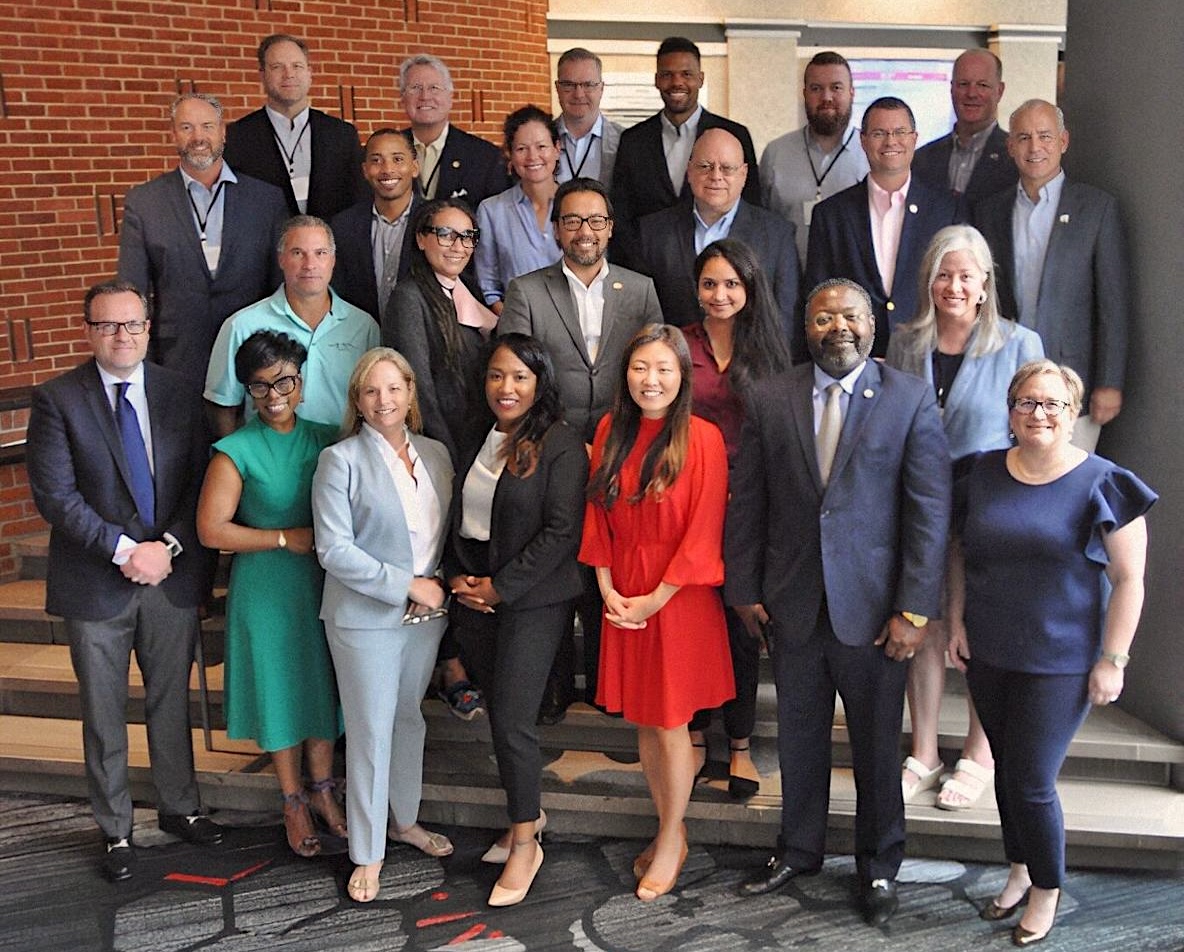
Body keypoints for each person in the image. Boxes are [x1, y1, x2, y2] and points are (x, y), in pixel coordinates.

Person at [727, 278, 950, 926]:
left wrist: (914, 610)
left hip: (878, 614)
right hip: (793, 604)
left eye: (849, 315)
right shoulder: (771, 397)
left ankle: (879, 869)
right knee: (798, 741)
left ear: (871, 325)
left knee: (880, 749)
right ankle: (798, 850)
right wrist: (743, 591)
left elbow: (929, 514)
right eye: (824, 317)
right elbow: (749, 502)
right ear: (807, 326)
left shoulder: (908, 400)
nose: (837, 327)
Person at [948, 360, 1154, 946]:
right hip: (989, 650)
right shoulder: (981, 472)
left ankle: (1046, 889)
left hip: (1061, 659)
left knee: (1032, 780)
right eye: (1027, 403)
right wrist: (957, 620)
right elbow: (960, 551)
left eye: (1053, 404)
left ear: (1073, 414)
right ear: (1010, 412)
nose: (1039, 414)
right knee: (1008, 776)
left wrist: (1113, 659)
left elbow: (1130, 579)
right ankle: (1019, 867)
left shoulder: (1104, 481)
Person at [26, 282, 222, 882]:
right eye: (110, 326)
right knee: (103, 710)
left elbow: (200, 481)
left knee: (171, 701)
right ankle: (114, 831)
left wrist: (166, 547)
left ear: (147, 326)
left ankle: (180, 808)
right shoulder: (58, 398)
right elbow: (55, 496)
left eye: (133, 325)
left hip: (168, 574)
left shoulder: (177, 391)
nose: (123, 336)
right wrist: (124, 549)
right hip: (96, 583)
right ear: (89, 331)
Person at [886, 224, 1044, 810]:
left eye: (966, 276)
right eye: (943, 274)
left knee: (978, 630)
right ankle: (924, 751)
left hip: (991, 506)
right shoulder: (904, 342)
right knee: (921, 624)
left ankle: (981, 751)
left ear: (984, 286)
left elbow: (1034, 428)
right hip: (921, 506)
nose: (954, 285)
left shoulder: (1019, 343)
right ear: (929, 281)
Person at [580, 324, 734, 902]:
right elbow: (597, 513)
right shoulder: (609, 429)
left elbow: (702, 533)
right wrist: (604, 584)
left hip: (676, 596)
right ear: (626, 374)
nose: (652, 380)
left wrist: (654, 597)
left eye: (664, 369)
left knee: (672, 725)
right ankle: (667, 825)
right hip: (623, 591)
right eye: (641, 368)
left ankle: (672, 836)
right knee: (646, 720)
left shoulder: (704, 438)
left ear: (682, 377)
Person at [499, 177, 663, 716]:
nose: (584, 231)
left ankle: (604, 688)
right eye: (571, 220)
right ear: (555, 230)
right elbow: (515, 371)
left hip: (621, 448)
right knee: (551, 566)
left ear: (610, 229)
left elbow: (654, 367)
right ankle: (552, 693)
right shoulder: (527, 289)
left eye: (595, 220)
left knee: (606, 567)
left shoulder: (638, 290)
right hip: (550, 448)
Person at [446, 334, 589, 906]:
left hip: (532, 597)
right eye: (498, 376)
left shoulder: (561, 444)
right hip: (475, 589)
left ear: (541, 382)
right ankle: (525, 814)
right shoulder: (477, 436)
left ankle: (527, 842)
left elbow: (562, 533)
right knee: (501, 717)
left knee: (512, 721)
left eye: (520, 378)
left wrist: (502, 588)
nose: (507, 388)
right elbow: (456, 512)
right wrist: (459, 578)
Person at [311, 347, 456, 903]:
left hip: (426, 614)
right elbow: (333, 550)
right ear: (358, 400)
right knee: (370, 731)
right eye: (371, 391)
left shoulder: (437, 455)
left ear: (411, 393)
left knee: (407, 719)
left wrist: (434, 583)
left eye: (393, 388)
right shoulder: (340, 460)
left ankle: (405, 821)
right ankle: (366, 855)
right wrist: (406, 585)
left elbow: (441, 535)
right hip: (364, 617)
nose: (383, 400)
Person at [196, 330, 345, 858]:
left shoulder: (328, 437)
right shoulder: (234, 450)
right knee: (282, 691)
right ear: (247, 392)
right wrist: (283, 538)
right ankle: (292, 800)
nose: (274, 394)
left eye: (285, 380)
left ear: (302, 381)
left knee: (322, 688)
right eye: (259, 386)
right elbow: (212, 530)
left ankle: (325, 791)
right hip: (266, 588)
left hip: (324, 584)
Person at [684, 239, 792, 799]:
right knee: (696, 624)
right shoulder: (679, 344)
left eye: (731, 284)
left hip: (750, 508)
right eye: (709, 284)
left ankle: (742, 745)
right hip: (690, 505)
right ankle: (698, 737)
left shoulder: (773, 351)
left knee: (741, 625)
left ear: (749, 289)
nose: (720, 295)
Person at [384, 199, 495, 721]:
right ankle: (446, 665)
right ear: (421, 238)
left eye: (467, 236)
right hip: (440, 452)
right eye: (445, 234)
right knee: (438, 556)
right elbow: (419, 388)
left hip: (472, 450)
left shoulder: (461, 294)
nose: (458, 245)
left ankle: (456, 660)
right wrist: (447, 458)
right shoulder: (411, 296)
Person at [973, 99, 1129, 452]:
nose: (1034, 147)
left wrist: (1110, 383)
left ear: (1063, 141)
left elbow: (1113, 305)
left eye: (1045, 136)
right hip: (1003, 374)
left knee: (1066, 486)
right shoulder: (989, 211)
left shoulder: (1097, 210)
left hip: (1073, 381)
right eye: (1024, 137)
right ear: (1010, 146)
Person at [117, 93, 287, 379]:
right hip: (177, 357)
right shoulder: (144, 202)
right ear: (173, 135)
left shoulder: (266, 199)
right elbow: (131, 290)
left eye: (207, 126)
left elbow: (280, 283)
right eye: (186, 127)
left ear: (222, 132)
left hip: (255, 353)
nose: (198, 137)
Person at [805, 96, 961, 360]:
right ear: (863, 141)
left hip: (928, 357)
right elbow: (819, 296)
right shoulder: (831, 215)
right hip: (854, 361)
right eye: (879, 133)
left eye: (900, 132)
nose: (891, 141)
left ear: (914, 138)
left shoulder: (948, 210)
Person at [204, 215, 379, 438]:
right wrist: (237, 462)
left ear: (333, 260)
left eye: (320, 253)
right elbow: (222, 405)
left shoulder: (364, 327)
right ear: (281, 260)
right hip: (271, 463)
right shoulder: (241, 326)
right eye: (298, 253)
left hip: (346, 458)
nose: (310, 265)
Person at [636, 128, 799, 336]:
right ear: (689, 171)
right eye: (705, 166)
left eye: (727, 168)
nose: (715, 176)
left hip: (753, 364)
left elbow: (785, 320)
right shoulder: (653, 232)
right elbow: (643, 315)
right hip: (676, 363)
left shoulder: (777, 235)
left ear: (744, 174)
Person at [610, 37, 760, 256]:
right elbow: (622, 214)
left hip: (724, 266)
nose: (676, 82)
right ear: (656, 80)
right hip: (650, 269)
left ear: (700, 79)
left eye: (686, 74)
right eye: (667, 75)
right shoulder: (633, 140)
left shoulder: (734, 135)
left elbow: (751, 207)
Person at [224, 33, 366, 220]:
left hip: (333, 246)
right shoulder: (239, 136)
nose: (288, 74)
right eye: (277, 67)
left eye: (297, 66)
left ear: (309, 73)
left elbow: (357, 203)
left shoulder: (342, 135)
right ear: (262, 75)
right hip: (266, 248)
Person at [760, 51, 869, 262]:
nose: (826, 97)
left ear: (852, 93)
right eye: (816, 88)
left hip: (852, 285)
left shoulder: (870, 155)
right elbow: (762, 226)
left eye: (836, 88)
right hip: (789, 282)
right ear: (804, 93)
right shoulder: (776, 154)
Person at [474, 106, 564, 313]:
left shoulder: (580, 205)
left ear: (557, 149)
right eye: (522, 148)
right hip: (517, 328)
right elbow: (488, 284)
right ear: (510, 154)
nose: (533, 157)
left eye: (541, 146)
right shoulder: (492, 211)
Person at [330, 128, 424, 321]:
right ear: (365, 170)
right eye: (376, 160)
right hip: (359, 338)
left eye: (397, 159)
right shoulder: (343, 226)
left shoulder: (435, 219)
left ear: (414, 167)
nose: (387, 169)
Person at [398, 54, 511, 206]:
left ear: (450, 96)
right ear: (402, 98)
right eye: (415, 88)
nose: (425, 96)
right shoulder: (386, 153)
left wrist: (464, 232)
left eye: (434, 88)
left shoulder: (485, 157)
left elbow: (491, 225)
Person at [912, 49, 1017, 205]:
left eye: (982, 85)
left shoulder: (1017, 159)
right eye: (963, 84)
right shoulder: (921, 160)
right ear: (951, 88)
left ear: (1000, 91)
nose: (972, 93)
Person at [554, 47, 622, 191]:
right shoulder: (539, 141)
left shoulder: (625, 142)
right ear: (557, 88)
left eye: (588, 85)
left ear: (601, 88)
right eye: (569, 85)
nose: (578, 94)